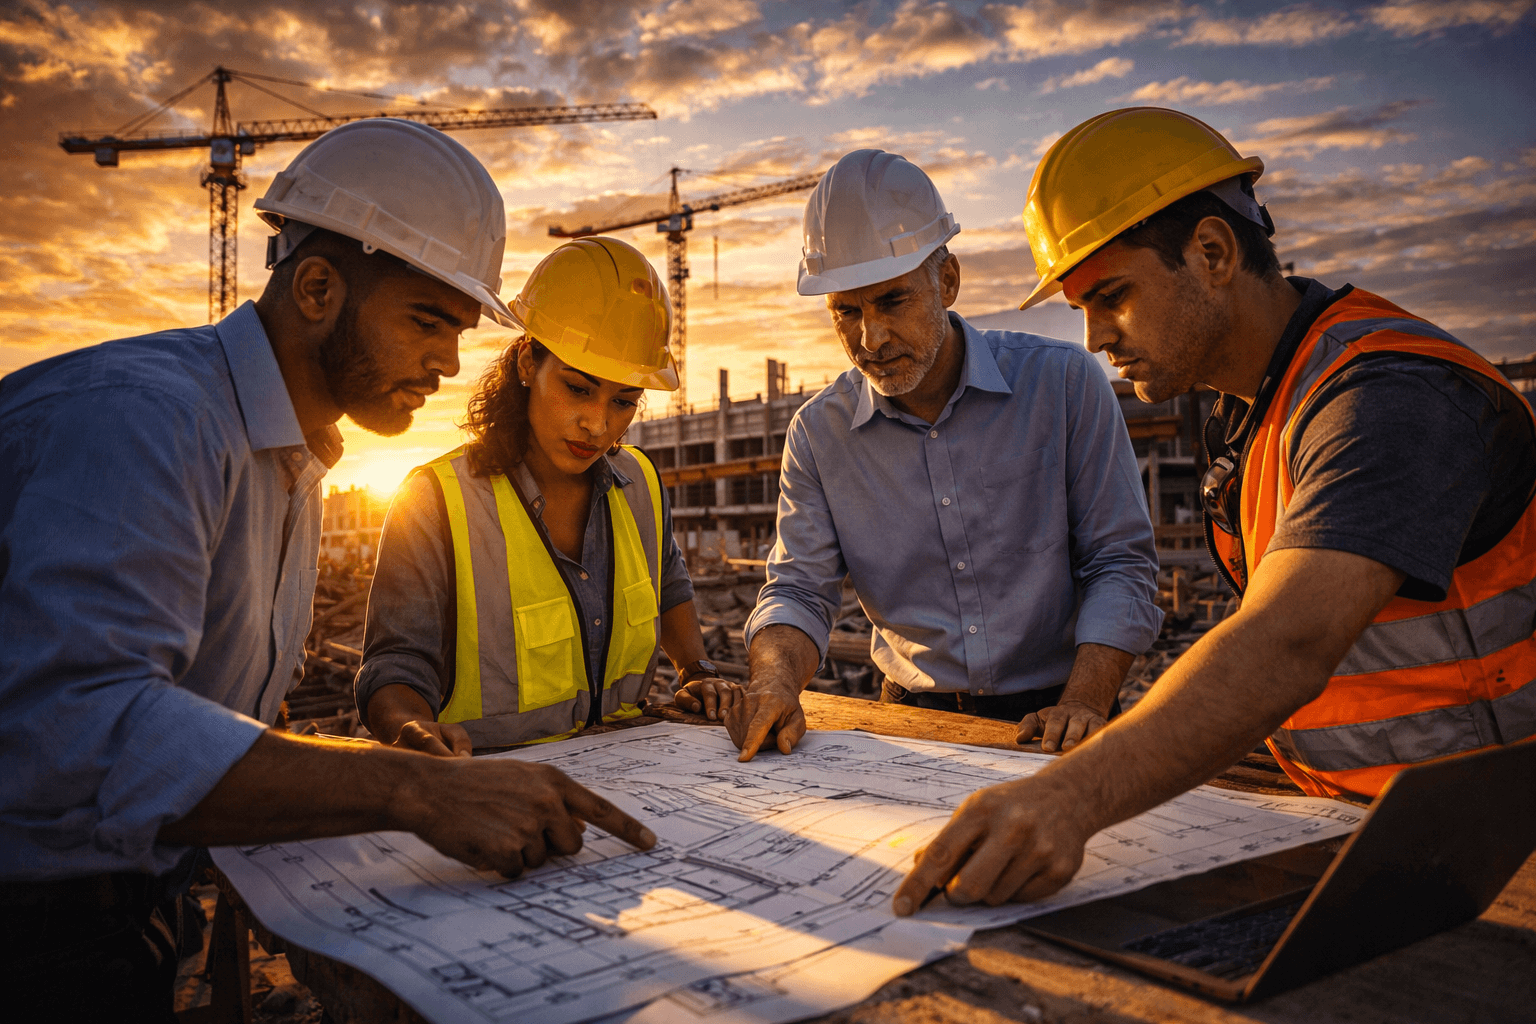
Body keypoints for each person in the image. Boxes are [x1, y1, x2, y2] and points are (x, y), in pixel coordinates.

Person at [0, 119, 653, 1021]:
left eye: (459, 330)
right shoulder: (148, 421)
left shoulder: (291, 466)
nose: (448, 362)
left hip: (119, 914)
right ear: (316, 288)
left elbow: (203, 723)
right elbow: (78, 734)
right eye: (426, 321)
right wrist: (413, 791)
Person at [892, 106, 1536, 917]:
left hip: (1498, 858)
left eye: (1112, 296)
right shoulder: (1254, 411)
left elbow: (1288, 640)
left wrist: (1071, 797)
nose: (1094, 338)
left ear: (1213, 253)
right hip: (1367, 826)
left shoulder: (1390, 399)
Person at [727, 149, 1162, 762]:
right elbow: (799, 589)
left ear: (948, 282)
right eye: (846, 311)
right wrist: (773, 680)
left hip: (1064, 710)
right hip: (911, 721)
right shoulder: (819, 435)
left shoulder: (1063, 385)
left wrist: (1086, 700)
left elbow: (1118, 560)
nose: (870, 339)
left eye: (892, 302)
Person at [356, 237, 739, 754]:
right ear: (525, 363)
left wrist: (697, 671)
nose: (597, 424)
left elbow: (666, 585)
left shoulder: (640, 484)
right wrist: (409, 726)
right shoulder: (435, 502)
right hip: (489, 778)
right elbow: (396, 663)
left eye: (623, 402)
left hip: (629, 769)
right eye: (578, 389)